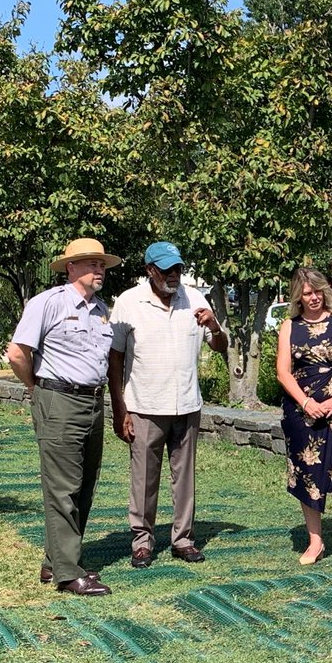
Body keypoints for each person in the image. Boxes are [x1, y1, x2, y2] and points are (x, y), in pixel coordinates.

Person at [6, 237, 121, 596]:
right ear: (70, 267)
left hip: (92, 401)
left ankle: (55, 560)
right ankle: (69, 573)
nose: (98, 269)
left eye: (101, 264)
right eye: (91, 263)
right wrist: (36, 388)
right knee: (62, 488)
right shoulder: (48, 303)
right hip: (58, 398)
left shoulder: (103, 309)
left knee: (85, 484)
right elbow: (17, 353)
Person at [107, 241, 228, 568]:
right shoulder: (129, 303)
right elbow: (115, 360)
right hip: (144, 406)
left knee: (184, 477)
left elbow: (220, 345)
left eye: (177, 269)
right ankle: (142, 542)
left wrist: (215, 326)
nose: (174, 276)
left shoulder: (194, 299)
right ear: (150, 271)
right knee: (144, 479)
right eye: (166, 270)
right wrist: (120, 409)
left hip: (187, 405)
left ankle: (183, 539)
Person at [276, 266, 332, 569]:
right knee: (307, 471)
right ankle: (315, 541)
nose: (312, 298)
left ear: (324, 290)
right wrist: (306, 402)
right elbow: (283, 373)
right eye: (306, 293)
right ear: (298, 296)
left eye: (316, 291)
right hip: (301, 410)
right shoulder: (290, 326)